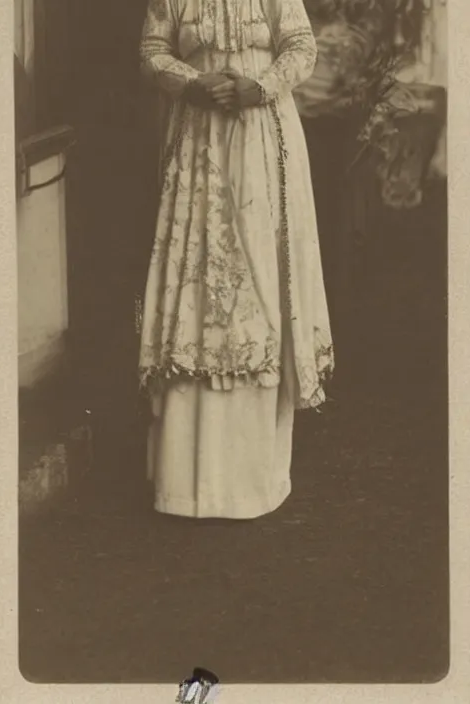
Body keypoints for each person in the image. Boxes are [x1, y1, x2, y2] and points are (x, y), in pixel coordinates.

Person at [138, 0, 334, 520]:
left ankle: (255, 478)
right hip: (197, 141)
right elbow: (153, 51)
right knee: (199, 286)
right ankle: (187, 483)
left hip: (262, 138)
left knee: (261, 283)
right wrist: (193, 82)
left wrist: (259, 87)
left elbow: (302, 47)